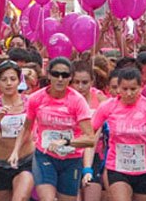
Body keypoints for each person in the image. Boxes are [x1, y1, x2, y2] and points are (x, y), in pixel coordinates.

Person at [9, 57, 95, 201]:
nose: (60, 79)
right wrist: (15, 151)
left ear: (70, 78)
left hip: (71, 159)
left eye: (65, 75)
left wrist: (66, 142)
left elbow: (90, 139)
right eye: (56, 74)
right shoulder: (36, 98)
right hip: (45, 155)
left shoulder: (77, 101)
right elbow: (26, 128)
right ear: (49, 75)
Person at [91, 67, 146, 201]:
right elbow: (90, 131)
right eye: (124, 89)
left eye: (133, 89)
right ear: (118, 88)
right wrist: (71, 142)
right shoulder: (107, 106)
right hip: (117, 168)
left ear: (141, 87)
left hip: (145, 169)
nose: (129, 93)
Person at [0, 60, 34, 201]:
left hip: (26, 160)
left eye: (13, 79)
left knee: (20, 198)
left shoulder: (30, 102)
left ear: (19, 81)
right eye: (4, 80)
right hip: (0, 163)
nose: (8, 83)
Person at [71, 61, 108, 201]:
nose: (80, 87)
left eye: (85, 82)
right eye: (76, 82)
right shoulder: (66, 98)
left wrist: (87, 168)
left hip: (95, 154)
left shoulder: (101, 100)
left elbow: (93, 137)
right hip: (71, 155)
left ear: (92, 81)